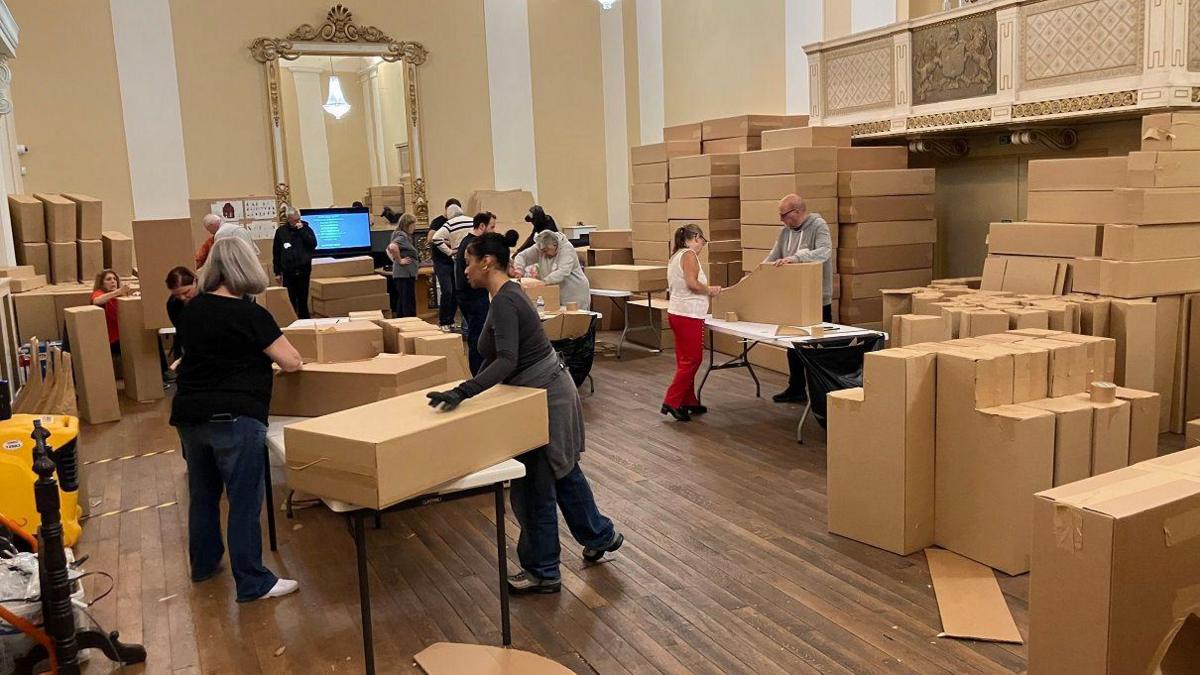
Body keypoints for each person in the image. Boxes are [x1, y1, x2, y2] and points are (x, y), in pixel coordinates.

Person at [426, 232, 623, 593]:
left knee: (535, 484)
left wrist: (463, 391)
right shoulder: (503, 296)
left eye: (468, 261)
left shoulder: (505, 300)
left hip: (546, 396)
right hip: (541, 393)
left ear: (487, 262)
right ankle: (600, 535)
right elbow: (490, 347)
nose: (464, 269)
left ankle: (544, 571)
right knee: (561, 472)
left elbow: (506, 360)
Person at [171, 237, 304, 603]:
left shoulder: (191, 310)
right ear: (245, 269)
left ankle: (204, 564)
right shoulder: (251, 315)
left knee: (204, 494)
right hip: (235, 416)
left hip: (190, 416)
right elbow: (291, 360)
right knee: (244, 499)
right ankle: (252, 582)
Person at [763, 193, 834, 404]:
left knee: (816, 347)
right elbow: (773, 256)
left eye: (784, 215)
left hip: (816, 299)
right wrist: (759, 272)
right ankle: (796, 388)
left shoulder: (818, 226)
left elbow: (824, 251)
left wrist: (796, 259)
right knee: (793, 345)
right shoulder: (785, 233)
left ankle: (822, 391)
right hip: (792, 298)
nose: (782, 220)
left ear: (797, 211)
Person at [662, 224, 721, 422]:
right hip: (688, 315)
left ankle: (689, 401)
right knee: (692, 360)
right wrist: (710, 290)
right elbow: (692, 284)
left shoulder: (676, 255)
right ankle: (672, 400)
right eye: (703, 241)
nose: (703, 246)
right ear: (696, 237)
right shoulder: (689, 255)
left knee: (684, 359)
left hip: (678, 313)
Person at [456, 212, 496, 374]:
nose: (493, 230)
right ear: (482, 226)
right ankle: (479, 373)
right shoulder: (473, 246)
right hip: (473, 295)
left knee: (476, 333)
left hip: (466, 294)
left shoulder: (466, 241)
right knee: (478, 336)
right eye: (492, 226)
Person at [510, 229, 590, 310]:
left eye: (545, 250)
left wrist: (543, 282)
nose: (543, 254)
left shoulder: (567, 249)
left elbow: (562, 272)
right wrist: (519, 269)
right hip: (556, 294)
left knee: (574, 319)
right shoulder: (541, 247)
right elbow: (522, 256)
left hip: (574, 294)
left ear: (555, 245)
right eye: (541, 251)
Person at [429, 199, 472, 330]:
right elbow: (432, 238)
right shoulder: (438, 222)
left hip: (455, 262)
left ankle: (451, 321)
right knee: (447, 290)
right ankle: (444, 321)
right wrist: (450, 249)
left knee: (456, 291)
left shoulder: (458, 222)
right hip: (442, 262)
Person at [272, 206, 318, 320]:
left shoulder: (306, 229)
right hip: (288, 271)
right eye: (294, 220)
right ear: (288, 219)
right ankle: (292, 320)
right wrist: (277, 272)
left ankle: (305, 320)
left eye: (298, 219)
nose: (297, 222)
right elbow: (276, 253)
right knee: (290, 298)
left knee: (302, 298)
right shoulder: (281, 232)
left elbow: (313, 244)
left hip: (304, 270)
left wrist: (302, 230)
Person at [383, 208, 419, 318]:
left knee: (403, 301)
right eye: (413, 225)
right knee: (407, 301)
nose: (415, 227)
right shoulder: (401, 236)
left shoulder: (401, 235)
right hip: (404, 274)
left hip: (404, 274)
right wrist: (399, 260)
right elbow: (392, 247)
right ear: (408, 225)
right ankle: (410, 323)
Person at [90, 269, 134, 353]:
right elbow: (97, 300)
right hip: (112, 339)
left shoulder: (121, 295)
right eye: (108, 279)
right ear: (101, 283)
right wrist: (118, 291)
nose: (113, 281)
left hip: (124, 335)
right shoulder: (99, 293)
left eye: (114, 279)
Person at [165, 266, 198, 361]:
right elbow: (180, 329)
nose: (182, 297)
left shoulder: (209, 296)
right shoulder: (172, 303)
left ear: (195, 282)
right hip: (187, 346)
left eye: (186, 292)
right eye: (177, 295)